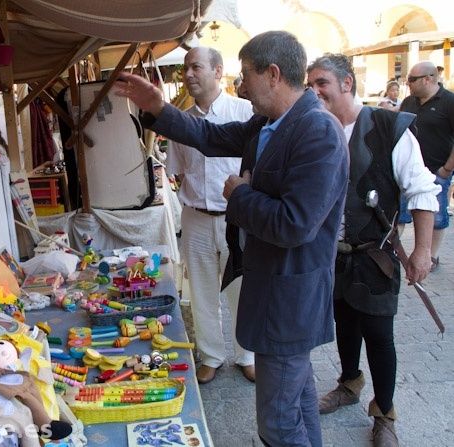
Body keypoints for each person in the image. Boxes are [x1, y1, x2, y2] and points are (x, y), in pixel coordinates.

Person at [116, 30, 349, 446]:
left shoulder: (318, 132)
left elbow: (295, 224)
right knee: (297, 403)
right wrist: (158, 108)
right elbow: (210, 136)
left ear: (273, 74)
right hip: (273, 290)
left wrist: (240, 195)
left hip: (290, 299)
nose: (241, 85)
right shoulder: (269, 123)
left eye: (246, 75)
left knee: (278, 423)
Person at [307, 54, 439, 447]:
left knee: (379, 334)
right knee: (344, 323)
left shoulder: (387, 127)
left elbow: (421, 191)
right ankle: (349, 383)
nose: (314, 91)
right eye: (310, 84)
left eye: (321, 83)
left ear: (347, 83)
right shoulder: (316, 128)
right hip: (333, 256)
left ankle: (384, 413)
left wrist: (422, 252)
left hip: (375, 255)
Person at [168, 47, 255, 384]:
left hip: (236, 218)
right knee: (201, 291)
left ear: (218, 71)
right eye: (185, 68)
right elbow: (177, 171)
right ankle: (211, 356)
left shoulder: (244, 112)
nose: (189, 74)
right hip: (196, 217)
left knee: (242, 289)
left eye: (196, 67)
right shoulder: (182, 122)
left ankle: (247, 355)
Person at [398, 61, 454, 271]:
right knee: (400, 213)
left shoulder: (449, 102)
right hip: (408, 169)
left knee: (436, 216)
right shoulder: (408, 102)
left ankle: (432, 256)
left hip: (436, 170)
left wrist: (447, 169)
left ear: (428, 79)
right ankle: (394, 252)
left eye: (412, 79)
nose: (408, 83)